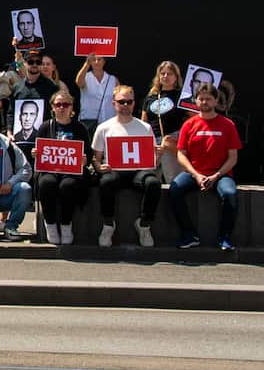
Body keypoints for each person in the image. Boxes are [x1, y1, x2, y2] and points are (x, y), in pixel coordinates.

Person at [169, 82, 242, 250]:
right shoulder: (189, 124)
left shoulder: (228, 124)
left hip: (221, 175)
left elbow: (233, 157)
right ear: (196, 101)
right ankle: (189, 235)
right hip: (195, 173)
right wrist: (196, 175)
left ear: (216, 101)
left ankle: (224, 237)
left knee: (230, 194)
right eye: (201, 99)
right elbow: (181, 154)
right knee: (174, 189)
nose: (204, 102)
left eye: (208, 99)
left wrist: (216, 175)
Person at [92, 84, 159, 247]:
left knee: (153, 183)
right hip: (115, 172)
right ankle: (108, 225)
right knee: (105, 182)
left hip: (139, 172)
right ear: (114, 103)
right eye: (121, 102)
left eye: (129, 102)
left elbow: (153, 161)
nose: (125, 106)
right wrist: (98, 167)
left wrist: (159, 155)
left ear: (134, 103)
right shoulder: (104, 128)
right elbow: (96, 158)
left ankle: (144, 225)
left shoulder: (145, 127)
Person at [35, 89, 91, 245]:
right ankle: (50, 224)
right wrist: (36, 153)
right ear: (52, 107)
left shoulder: (80, 128)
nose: (62, 108)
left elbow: (88, 153)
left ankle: (66, 225)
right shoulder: (45, 127)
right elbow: (40, 150)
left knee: (69, 185)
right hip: (50, 170)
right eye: (58, 104)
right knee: (47, 183)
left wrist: (84, 159)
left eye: (66, 104)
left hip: (71, 172)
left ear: (72, 108)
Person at [142, 60, 187, 181]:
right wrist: (147, 142)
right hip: (153, 142)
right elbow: (144, 122)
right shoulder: (151, 96)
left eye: (170, 74)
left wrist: (181, 138)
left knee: (173, 179)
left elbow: (194, 119)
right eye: (163, 73)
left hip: (172, 140)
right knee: (150, 179)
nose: (165, 76)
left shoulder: (182, 96)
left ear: (176, 77)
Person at [75, 53, 118, 134]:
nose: (96, 62)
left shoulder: (112, 79)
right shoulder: (85, 77)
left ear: (104, 62)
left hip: (109, 123)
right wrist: (87, 63)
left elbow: (119, 98)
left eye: (99, 59)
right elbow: (78, 82)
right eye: (94, 60)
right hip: (89, 123)